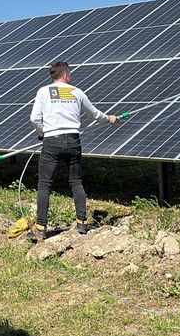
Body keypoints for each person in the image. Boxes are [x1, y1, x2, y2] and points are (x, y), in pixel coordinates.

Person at [29, 61, 117, 242]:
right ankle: (82, 223)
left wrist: (42, 133)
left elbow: (35, 118)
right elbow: (94, 114)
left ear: (53, 76)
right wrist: (109, 118)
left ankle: (41, 228)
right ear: (66, 75)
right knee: (76, 182)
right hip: (73, 140)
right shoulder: (77, 92)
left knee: (45, 184)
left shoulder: (44, 92)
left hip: (52, 141)